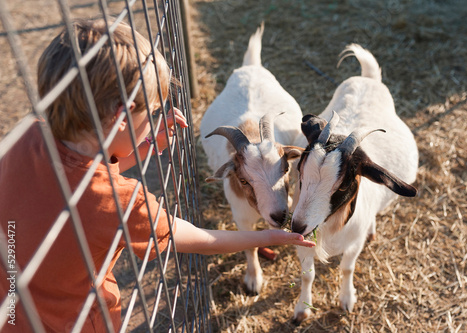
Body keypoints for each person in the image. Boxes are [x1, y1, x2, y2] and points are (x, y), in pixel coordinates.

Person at [0, 19, 314, 333]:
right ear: (122, 115)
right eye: (150, 113)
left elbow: (74, 177)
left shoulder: (27, 135)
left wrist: (143, 146)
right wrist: (266, 237)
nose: (155, 121)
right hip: (76, 324)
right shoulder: (122, 203)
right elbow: (201, 238)